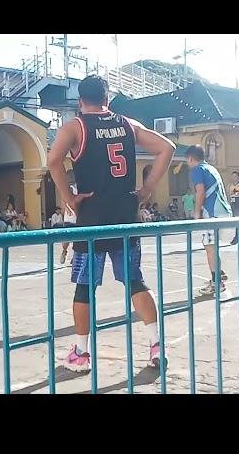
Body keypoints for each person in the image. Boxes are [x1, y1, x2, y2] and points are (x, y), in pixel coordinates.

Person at [47, 74, 175, 372]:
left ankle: (81, 353)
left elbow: (53, 160)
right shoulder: (127, 124)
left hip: (92, 216)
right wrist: (145, 190)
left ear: (80, 101)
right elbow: (166, 148)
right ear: (107, 99)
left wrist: (69, 197)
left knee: (84, 285)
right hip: (125, 213)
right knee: (135, 280)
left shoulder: (75, 127)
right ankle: (156, 346)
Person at [186, 145, 232, 295]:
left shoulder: (197, 170)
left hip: (213, 213)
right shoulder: (212, 168)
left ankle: (216, 282)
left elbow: (200, 191)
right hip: (223, 211)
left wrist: (197, 212)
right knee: (212, 246)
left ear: (190, 158)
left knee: (210, 247)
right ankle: (218, 273)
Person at [59, 184, 78, 264]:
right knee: (67, 239)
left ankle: (76, 256)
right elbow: (63, 199)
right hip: (69, 218)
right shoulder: (70, 188)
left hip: (79, 219)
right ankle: (64, 251)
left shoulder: (84, 188)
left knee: (78, 240)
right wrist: (66, 208)